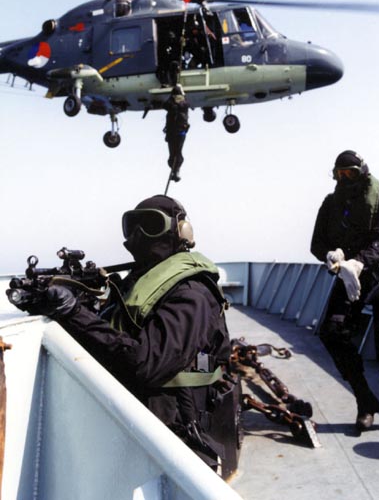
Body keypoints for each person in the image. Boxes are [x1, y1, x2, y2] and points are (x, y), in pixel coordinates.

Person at [14, 195, 241, 477]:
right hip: (135, 420)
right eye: (131, 225)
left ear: (181, 232)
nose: (138, 234)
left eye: (150, 224)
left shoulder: (190, 293)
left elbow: (146, 364)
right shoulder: (139, 282)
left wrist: (73, 312)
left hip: (179, 432)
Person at [311, 150, 379, 438]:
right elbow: (317, 244)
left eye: (351, 174)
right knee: (332, 332)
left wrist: (359, 262)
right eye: (339, 174)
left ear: (363, 172)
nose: (345, 179)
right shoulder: (332, 203)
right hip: (348, 277)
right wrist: (335, 256)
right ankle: (365, 399)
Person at [163, 84, 190, 182]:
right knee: (174, 153)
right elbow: (166, 105)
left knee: (176, 152)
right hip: (173, 132)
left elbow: (182, 105)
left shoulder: (183, 104)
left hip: (179, 131)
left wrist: (174, 100)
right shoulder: (174, 105)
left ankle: (176, 170)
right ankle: (174, 170)